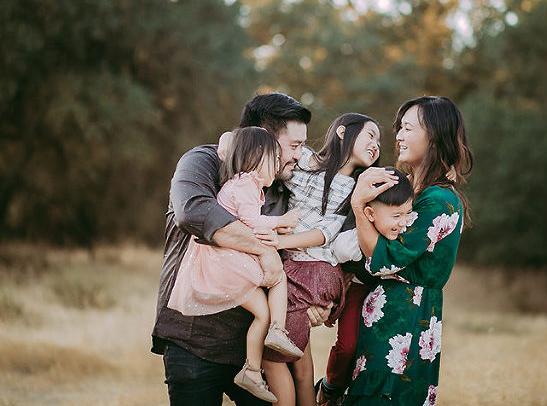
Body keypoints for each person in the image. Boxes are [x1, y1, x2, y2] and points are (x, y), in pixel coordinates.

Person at [151, 93, 330, 406]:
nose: (300, 156)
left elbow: (311, 244)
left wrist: (320, 300)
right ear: (262, 138)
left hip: (255, 351)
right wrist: (264, 252)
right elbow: (194, 212)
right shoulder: (203, 161)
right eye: (294, 145)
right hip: (193, 341)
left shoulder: (283, 183)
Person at [343, 96, 473, 406]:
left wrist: (359, 205)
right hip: (387, 315)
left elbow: (387, 258)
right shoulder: (412, 191)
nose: (399, 136)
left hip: (406, 320)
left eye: (408, 128)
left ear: (435, 136)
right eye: (399, 127)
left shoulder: (439, 200)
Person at [168, 127, 304, 402]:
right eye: (275, 157)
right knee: (274, 284)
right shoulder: (245, 184)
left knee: (262, 310)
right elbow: (248, 221)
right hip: (225, 261)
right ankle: (276, 332)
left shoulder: (247, 184)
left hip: (226, 259)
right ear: (256, 155)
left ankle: (255, 364)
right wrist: (279, 223)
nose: (279, 164)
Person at [261, 113, 381, 406]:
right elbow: (279, 167)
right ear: (343, 132)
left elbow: (325, 233)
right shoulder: (305, 160)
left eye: (379, 141)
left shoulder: (354, 188)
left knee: (272, 360)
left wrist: (280, 241)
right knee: (300, 362)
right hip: (308, 268)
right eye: (371, 135)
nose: (377, 145)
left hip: (310, 268)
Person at [315, 168, 416, 406]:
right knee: (348, 345)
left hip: (389, 293)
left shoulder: (406, 233)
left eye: (407, 214)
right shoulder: (348, 243)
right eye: (395, 216)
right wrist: (335, 298)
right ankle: (330, 386)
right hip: (358, 290)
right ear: (369, 213)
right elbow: (332, 267)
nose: (402, 223)